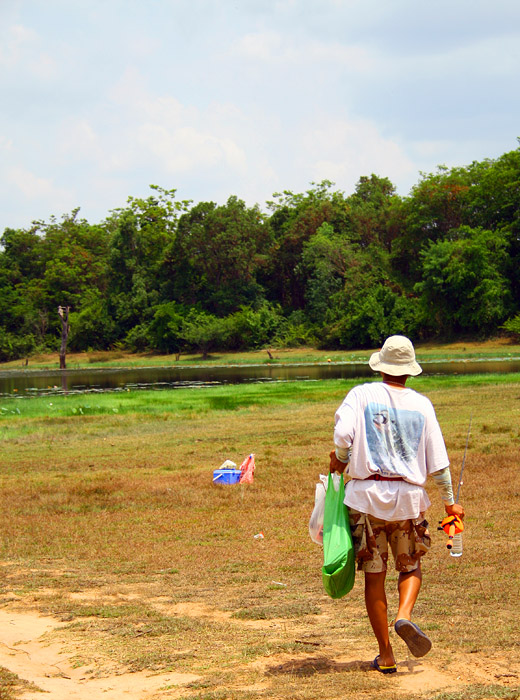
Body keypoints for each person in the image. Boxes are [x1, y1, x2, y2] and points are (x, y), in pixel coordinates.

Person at [329, 335, 465, 675]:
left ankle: (386, 655)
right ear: (409, 370)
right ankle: (404, 616)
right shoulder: (422, 404)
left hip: (365, 499)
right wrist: (451, 505)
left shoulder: (361, 394)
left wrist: (341, 461)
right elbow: (440, 464)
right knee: (410, 567)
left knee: (374, 576)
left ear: (382, 365)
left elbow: (343, 437)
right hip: (408, 501)